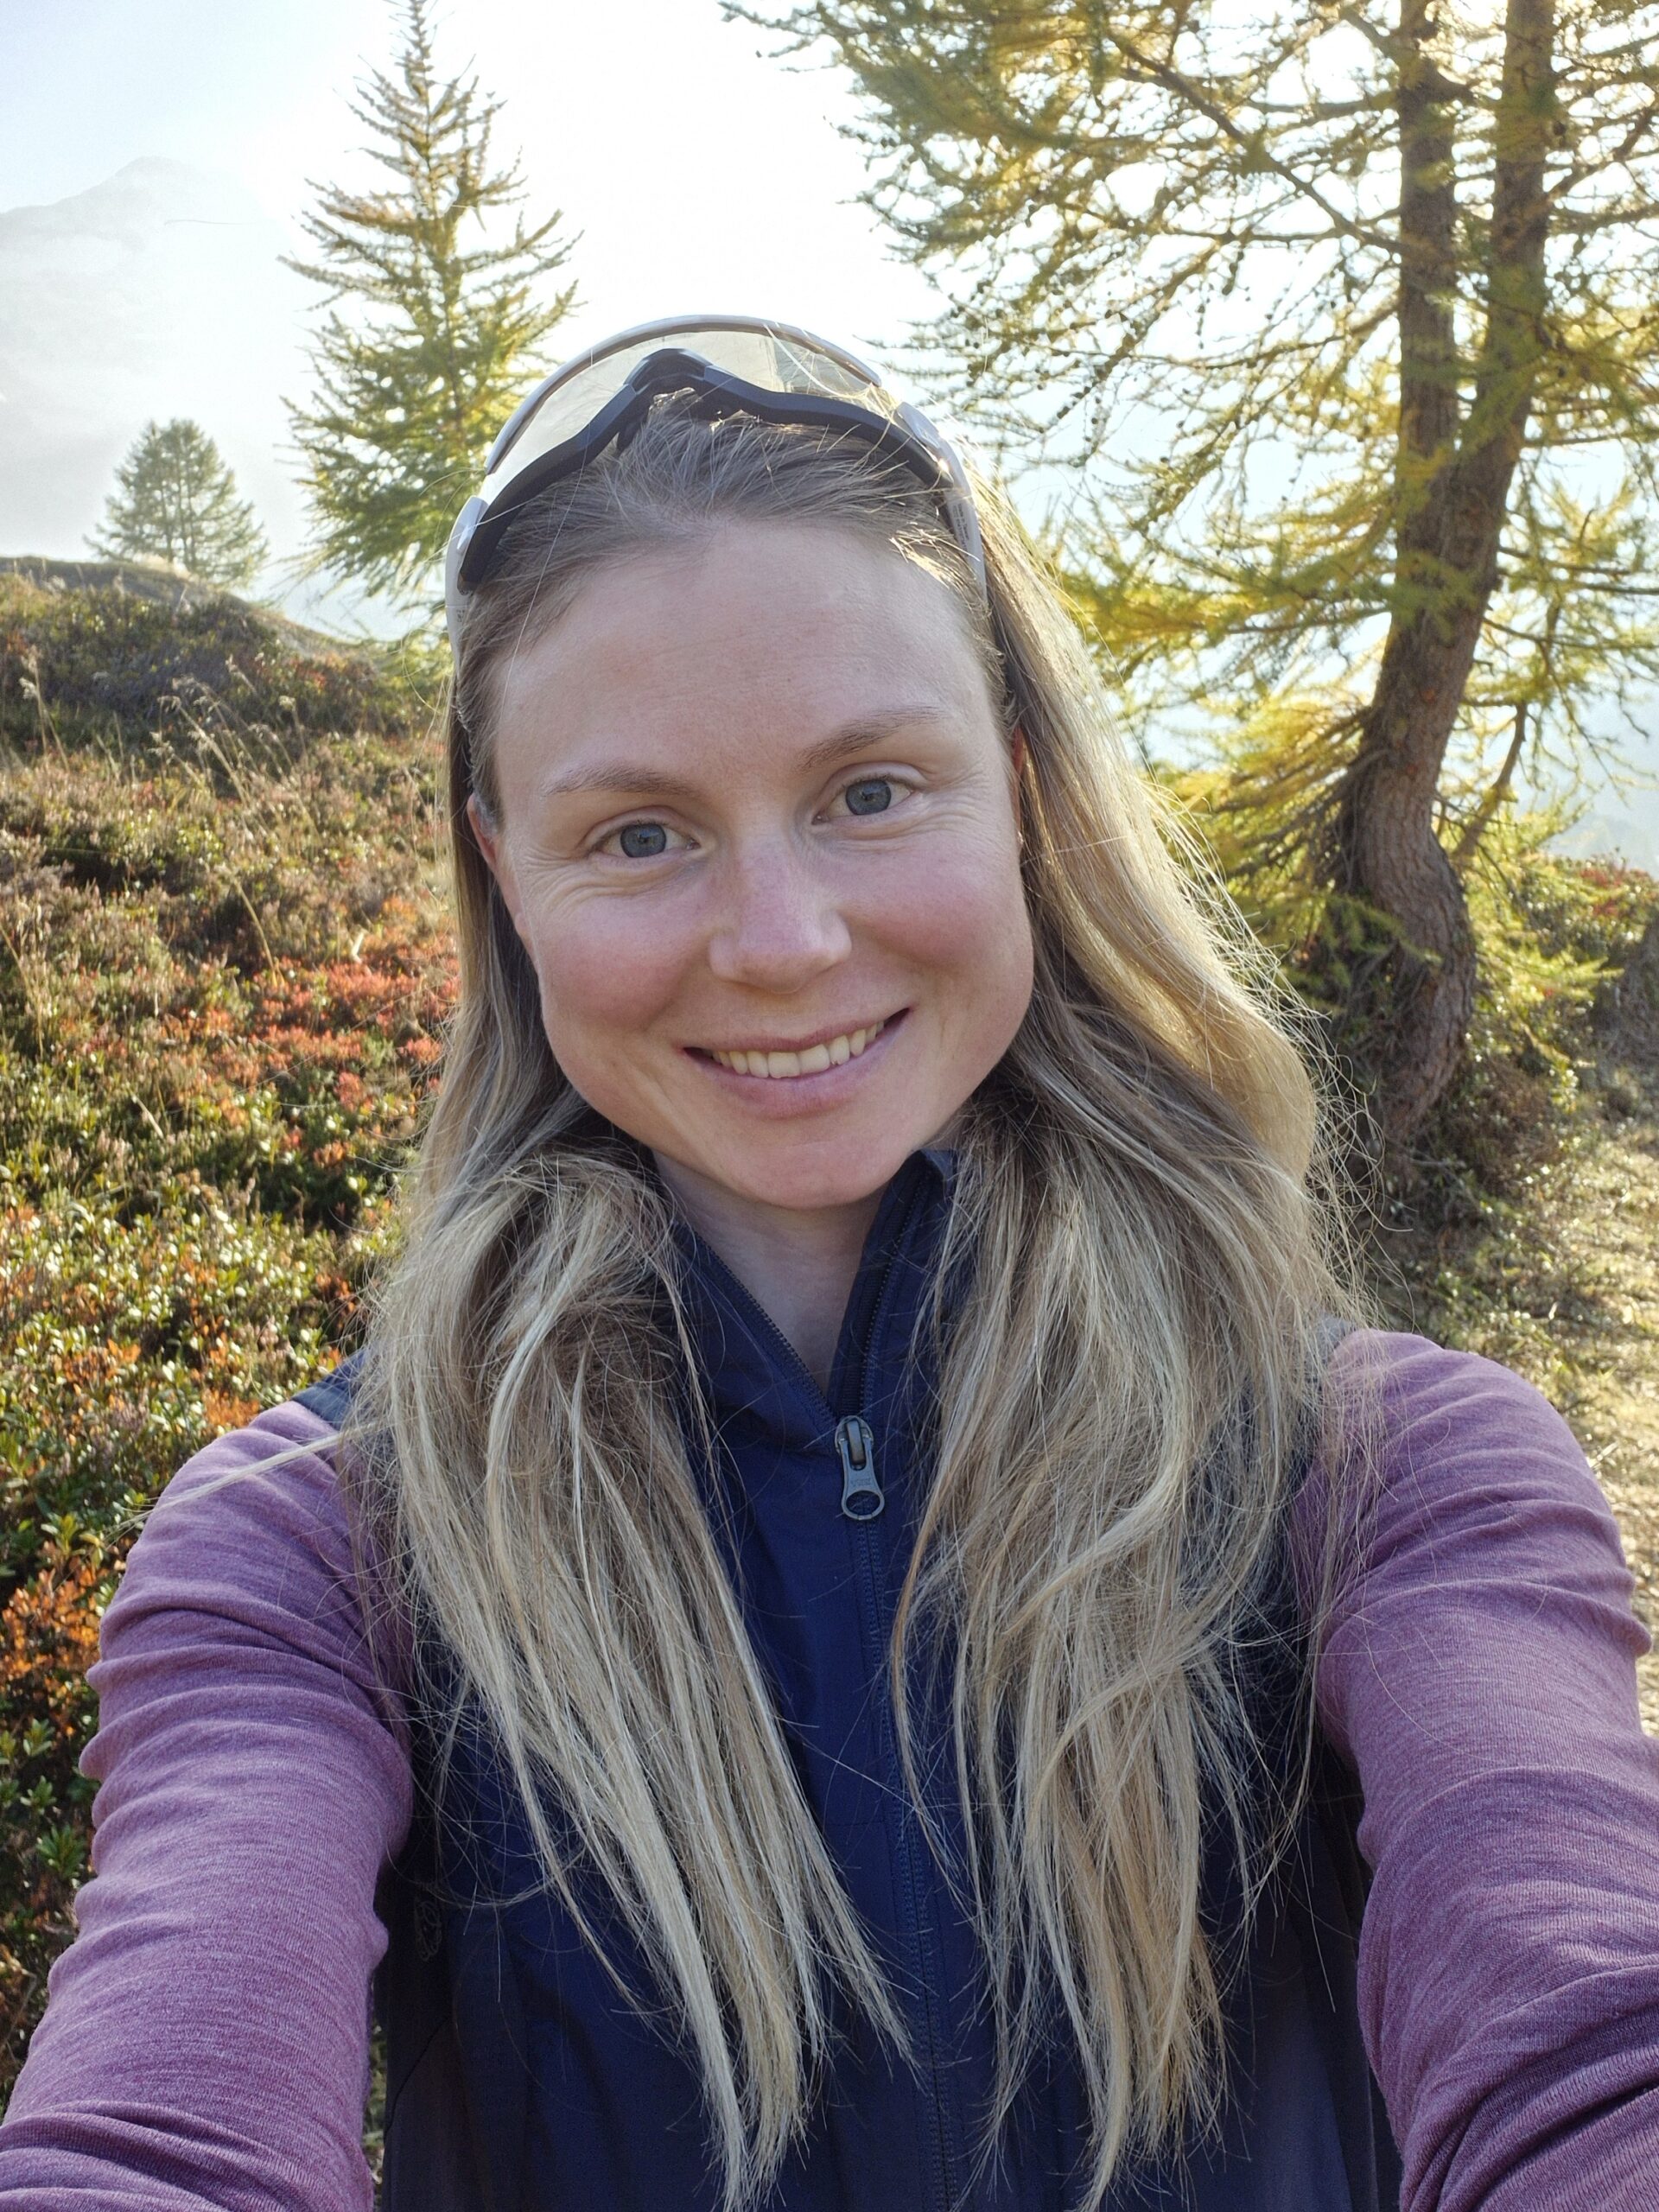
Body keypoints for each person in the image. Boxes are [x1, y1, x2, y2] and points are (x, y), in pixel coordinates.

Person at [0, 316, 1656, 2212]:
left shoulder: (1390, 1477)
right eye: (639, 834)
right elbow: (163, 2129)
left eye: (871, 790)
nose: (780, 941)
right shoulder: (314, 1555)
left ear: (1019, 793)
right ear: (504, 872)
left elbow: (1588, 2043)